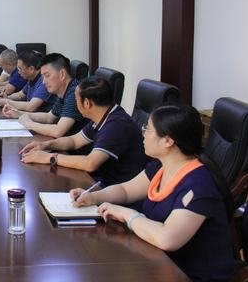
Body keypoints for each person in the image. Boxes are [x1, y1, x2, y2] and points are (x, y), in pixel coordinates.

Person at [70, 104, 234, 281]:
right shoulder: (161, 166)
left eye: (147, 129)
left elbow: (167, 238)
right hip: (156, 260)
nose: (143, 134)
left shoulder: (198, 186)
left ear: (168, 141)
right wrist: (94, 196)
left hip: (189, 275)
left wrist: (127, 214)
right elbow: (126, 190)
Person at [20, 77, 148, 187]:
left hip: (115, 189)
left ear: (87, 103)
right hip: (102, 181)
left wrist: (49, 158)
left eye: (76, 100)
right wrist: (45, 145)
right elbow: (74, 141)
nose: (76, 104)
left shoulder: (115, 125)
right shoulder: (104, 115)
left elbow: (90, 163)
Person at [3, 53, 85, 138]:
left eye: (47, 75)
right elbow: (49, 117)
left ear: (62, 74)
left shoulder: (74, 92)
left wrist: (29, 124)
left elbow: (58, 131)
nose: (44, 82)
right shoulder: (64, 91)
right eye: (43, 77)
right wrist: (18, 113)